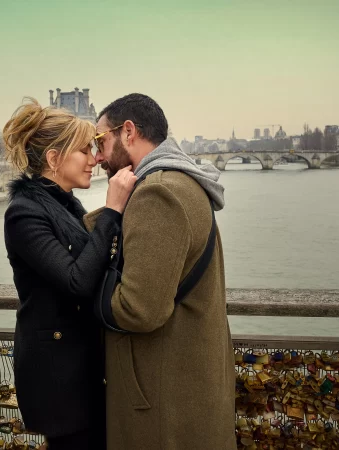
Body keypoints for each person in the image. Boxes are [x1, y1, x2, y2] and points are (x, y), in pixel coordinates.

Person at [87, 93, 236, 449]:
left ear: (128, 132)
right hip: (188, 384)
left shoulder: (158, 194)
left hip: (163, 399)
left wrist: (87, 285)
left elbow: (139, 311)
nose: (98, 157)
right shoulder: (182, 182)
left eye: (100, 141)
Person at [2, 98, 137, 450]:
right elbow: (77, 281)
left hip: (82, 366)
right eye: (83, 151)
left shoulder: (65, 203)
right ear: (53, 159)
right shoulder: (24, 214)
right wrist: (112, 209)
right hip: (57, 377)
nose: (94, 159)